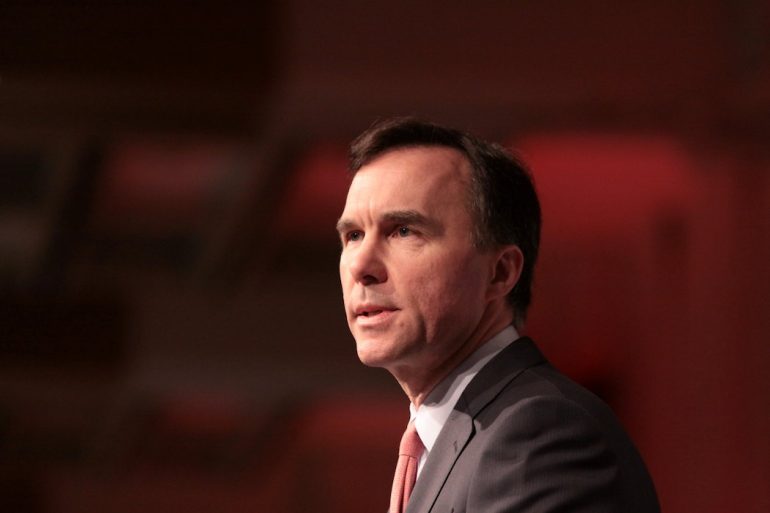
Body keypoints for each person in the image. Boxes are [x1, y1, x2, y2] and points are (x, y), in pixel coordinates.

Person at [336, 117, 660, 513]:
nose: (361, 265)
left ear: (500, 272)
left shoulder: (539, 432)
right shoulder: (456, 437)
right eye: (353, 235)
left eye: (404, 231)